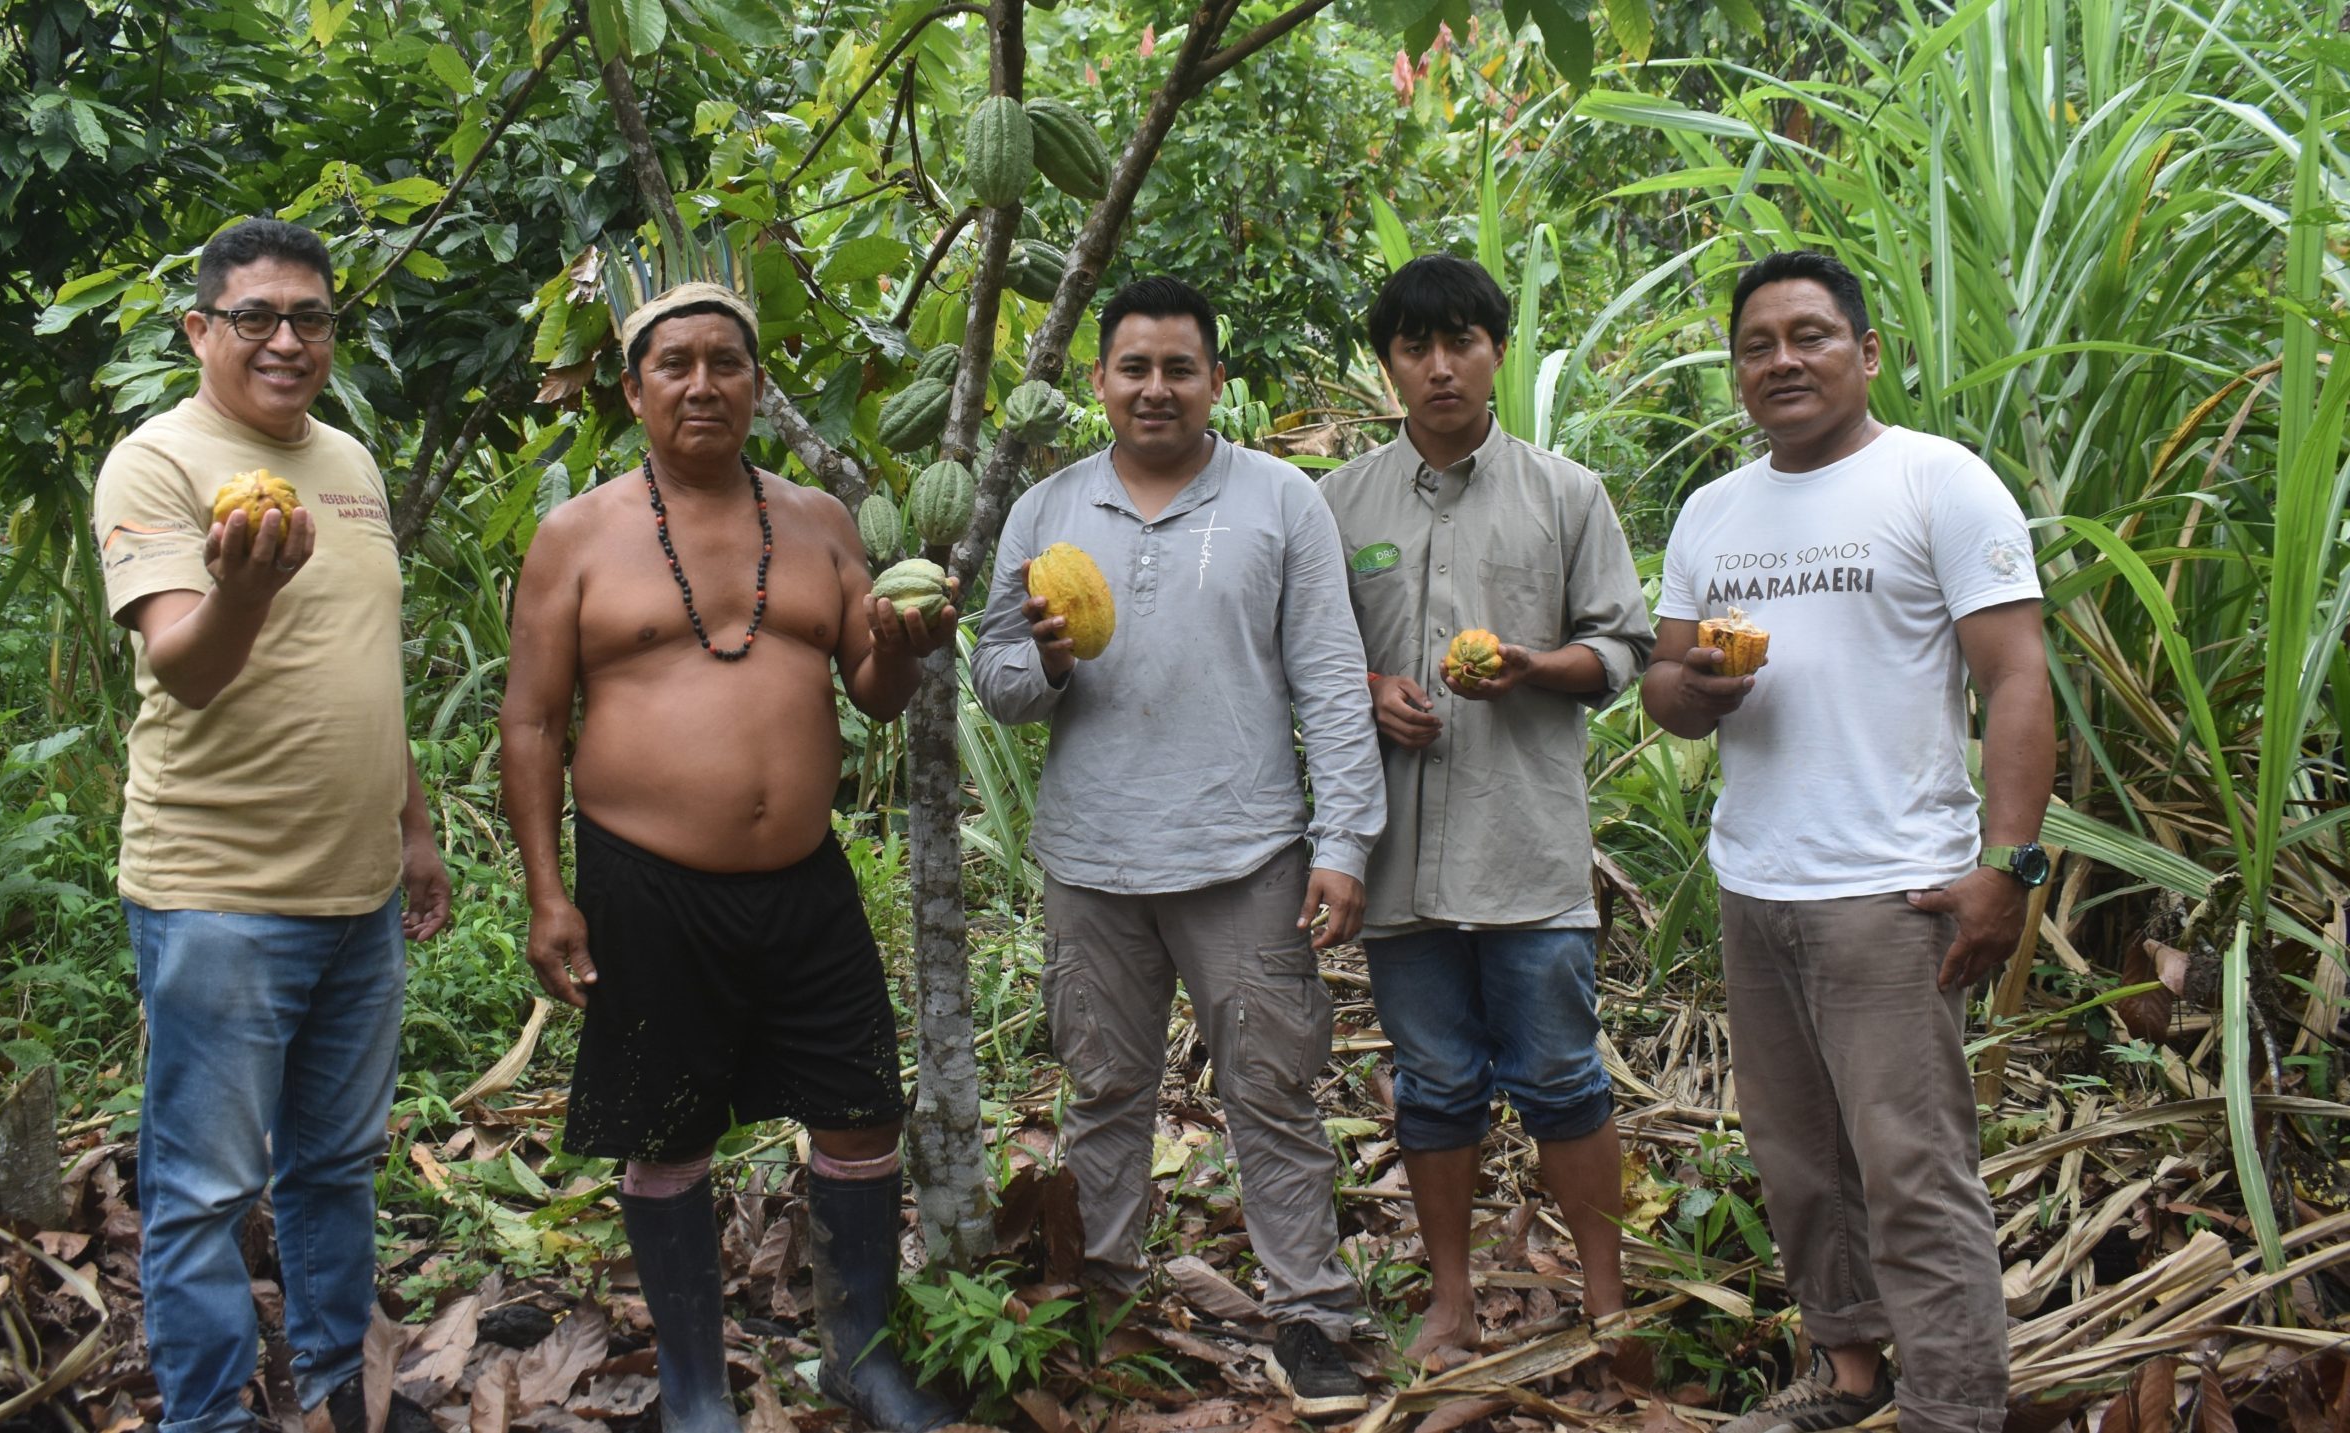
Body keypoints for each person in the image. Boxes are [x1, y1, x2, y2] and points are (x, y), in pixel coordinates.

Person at [498, 280, 960, 1433]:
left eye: (726, 363)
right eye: (675, 364)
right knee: (669, 1128)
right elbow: (533, 723)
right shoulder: (579, 534)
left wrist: (909, 645)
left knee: (859, 1112)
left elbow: (874, 690)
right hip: (645, 882)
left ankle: (861, 1355)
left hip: (803, 882)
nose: (702, 384)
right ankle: (698, 1390)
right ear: (633, 386)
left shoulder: (818, 520)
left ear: (757, 383)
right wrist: (547, 894)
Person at [1640, 250, 2052, 1433]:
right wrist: (1699, 687)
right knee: (1800, 1157)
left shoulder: (1937, 481)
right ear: (1737, 371)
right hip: (1754, 877)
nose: (1783, 359)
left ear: (1865, 352)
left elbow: (2017, 678)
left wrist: (2006, 867)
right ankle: (1847, 1373)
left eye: (1811, 335)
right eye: (1758, 343)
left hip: (1895, 889)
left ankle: (1956, 1404)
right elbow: (1664, 686)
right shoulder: (1713, 508)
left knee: (1910, 1162)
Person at [970, 277, 1386, 1418]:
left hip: (1245, 852)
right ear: (1101, 380)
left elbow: (1331, 681)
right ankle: (1106, 1293)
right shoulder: (1046, 510)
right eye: (1134, 368)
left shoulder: (1280, 501)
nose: (1156, 387)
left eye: (1180, 368)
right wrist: (1048, 662)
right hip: (1091, 857)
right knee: (1103, 1087)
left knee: (1275, 1089)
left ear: (1213, 378)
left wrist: (1343, 840)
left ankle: (1310, 1311)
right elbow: (997, 682)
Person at [91, 217, 452, 1433]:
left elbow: (365, 661)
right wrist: (244, 585)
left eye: (310, 318)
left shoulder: (347, 458)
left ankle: (343, 1383)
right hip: (220, 890)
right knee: (201, 1188)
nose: (286, 341)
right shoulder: (158, 462)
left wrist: (412, 822)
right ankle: (210, 1416)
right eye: (255, 318)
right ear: (201, 329)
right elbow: (188, 671)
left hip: (356, 891)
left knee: (334, 1165)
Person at [1318, 254, 1653, 1371]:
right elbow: (1304, 660)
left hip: (1525, 842)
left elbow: (1620, 647)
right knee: (1437, 1083)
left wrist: (1534, 664)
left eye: (1462, 339)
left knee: (1561, 1074)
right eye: (1415, 346)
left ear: (1496, 350)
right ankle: (1451, 1302)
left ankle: (1604, 1304)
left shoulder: (1566, 493)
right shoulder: (1337, 503)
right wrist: (1370, 691)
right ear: (1389, 365)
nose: (1440, 365)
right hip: (1398, 854)